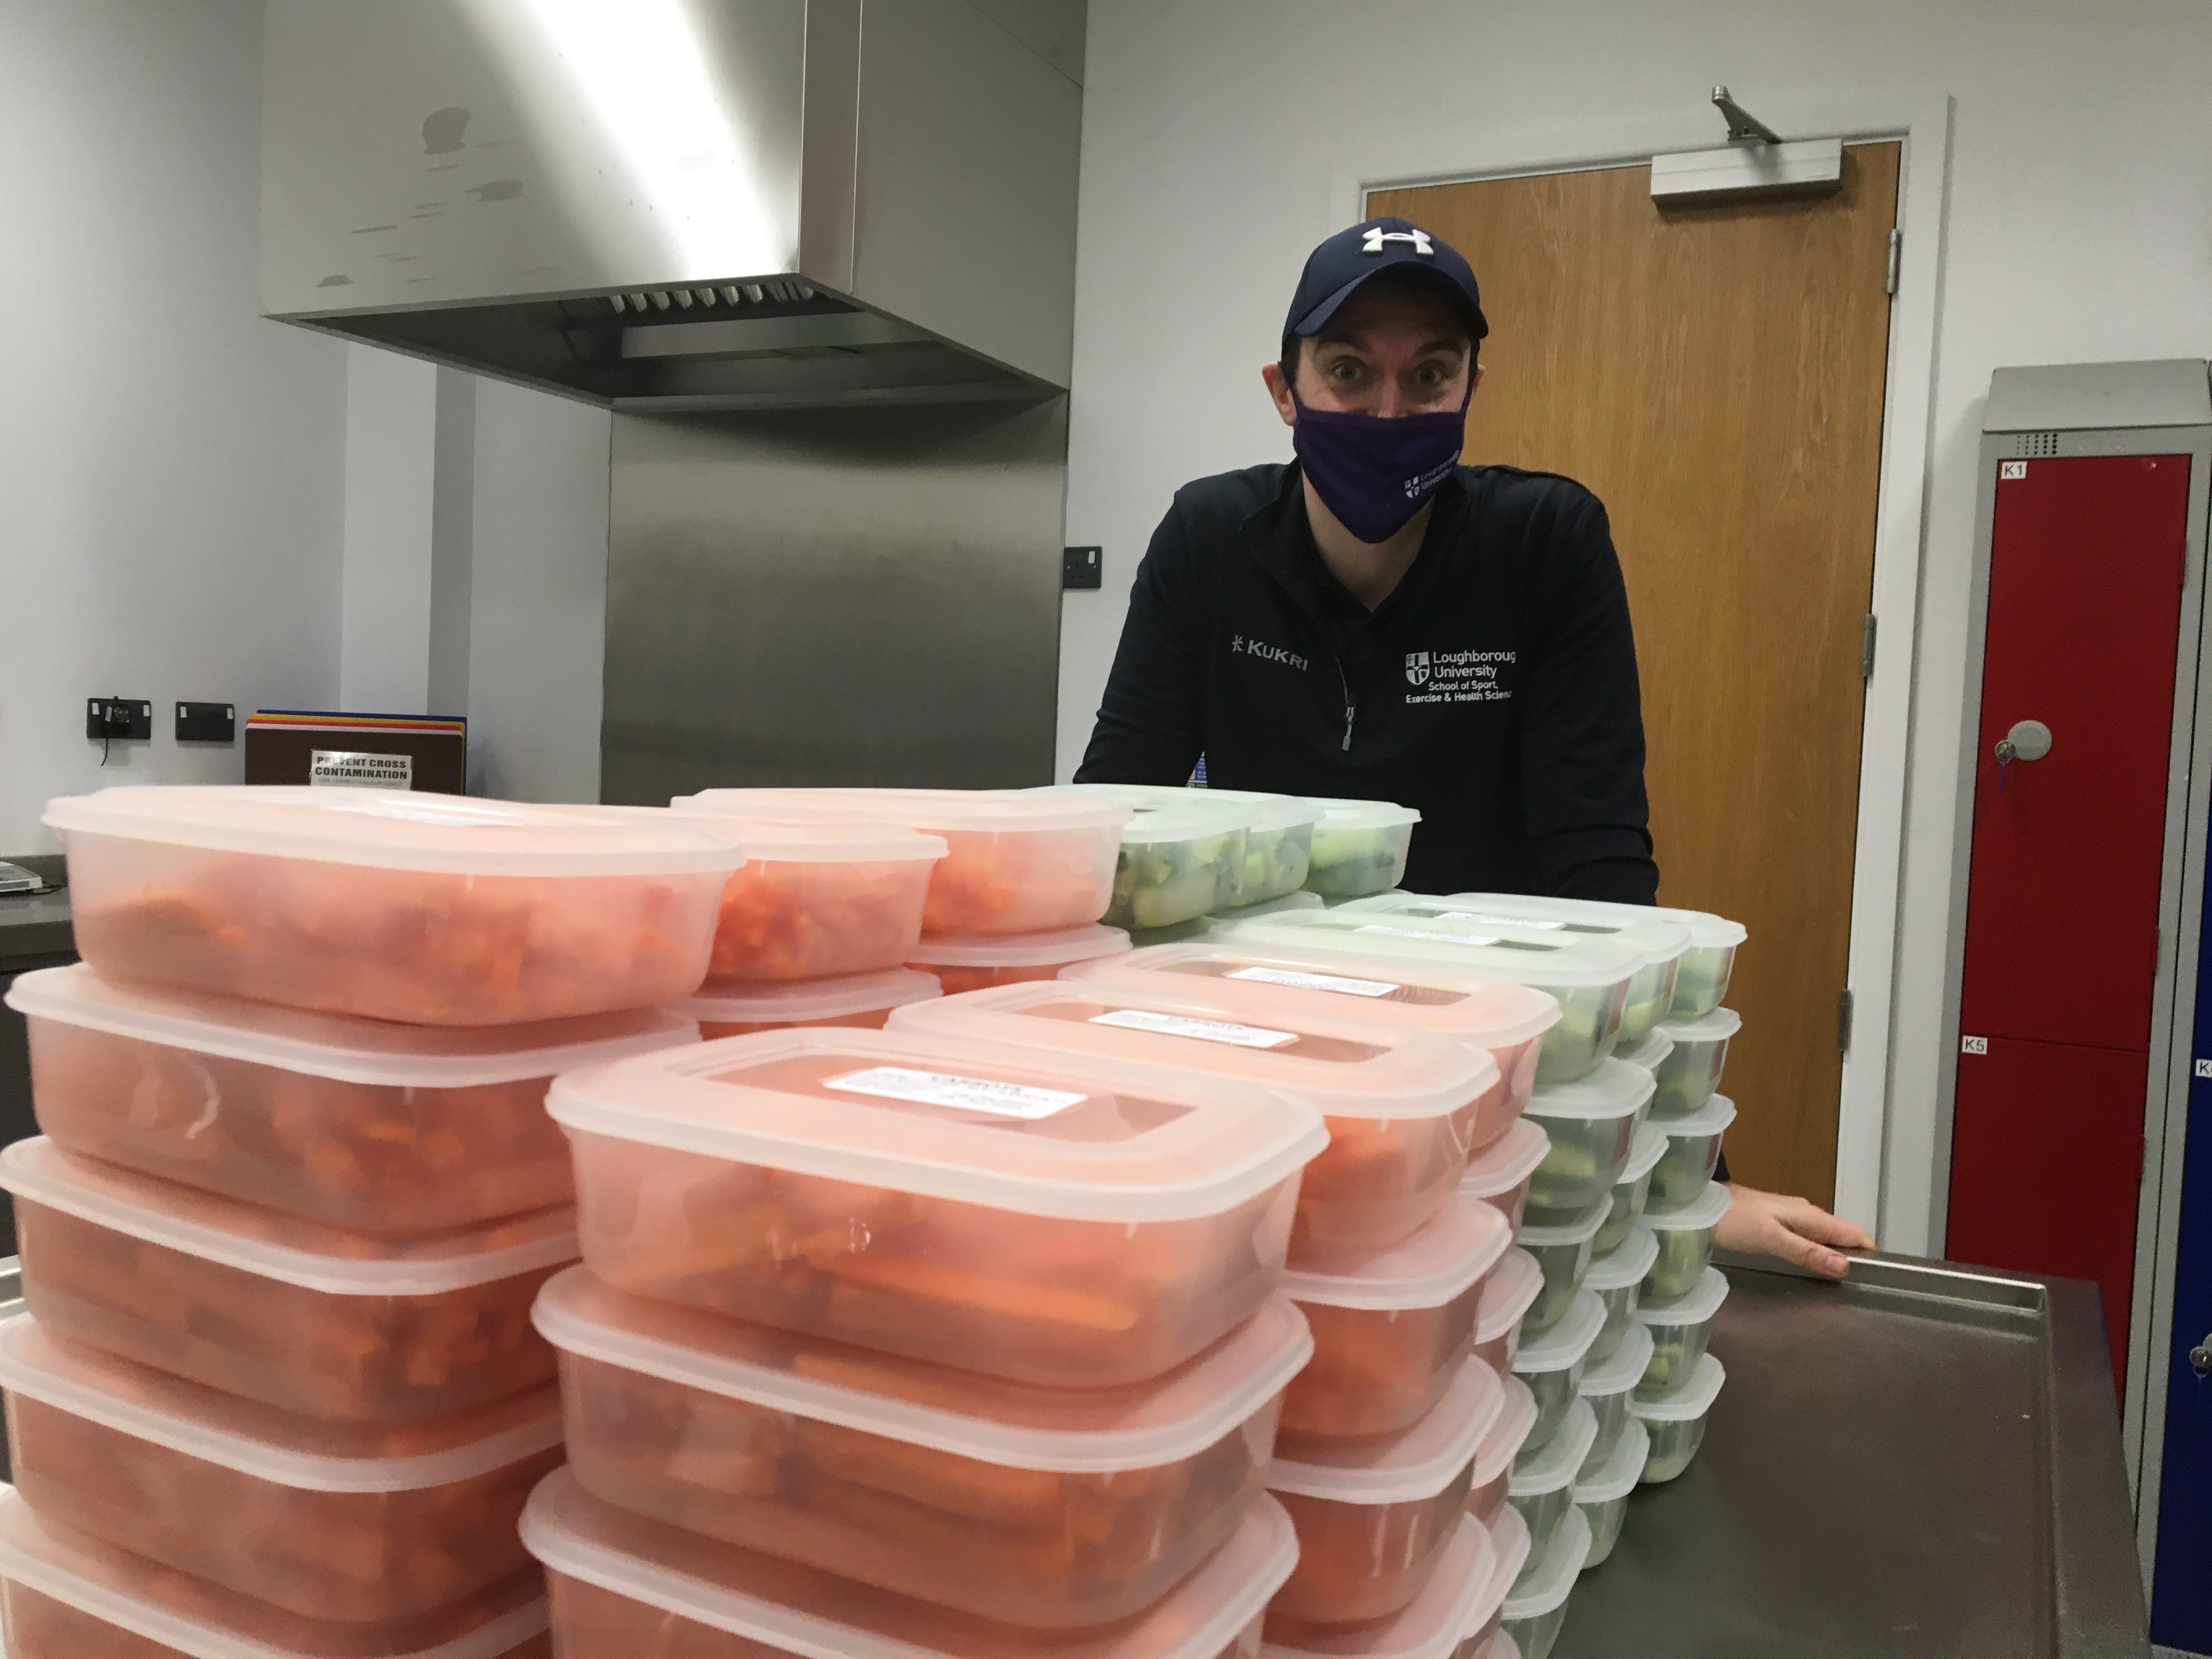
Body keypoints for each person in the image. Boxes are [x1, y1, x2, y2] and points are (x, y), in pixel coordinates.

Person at [1076, 215, 1872, 1278]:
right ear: (1285, 389)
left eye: (1430, 373)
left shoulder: (1543, 544)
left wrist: (1687, 1177)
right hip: (1259, 1072)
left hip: (1497, 1090)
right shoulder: (1208, 542)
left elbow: (1602, 878)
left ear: (1470, 391)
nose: (1389, 409)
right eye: (1350, 370)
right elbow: (1107, 836)